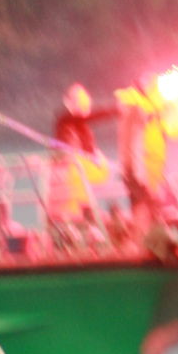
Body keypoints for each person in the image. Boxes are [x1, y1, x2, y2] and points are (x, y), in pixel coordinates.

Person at [48, 81, 111, 247]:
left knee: (90, 223)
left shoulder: (82, 129)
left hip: (82, 195)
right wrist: (115, 110)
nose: (85, 107)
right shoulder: (65, 122)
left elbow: (96, 168)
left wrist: (101, 165)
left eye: (85, 103)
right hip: (68, 198)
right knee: (72, 229)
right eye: (80, 102)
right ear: (69, 102)